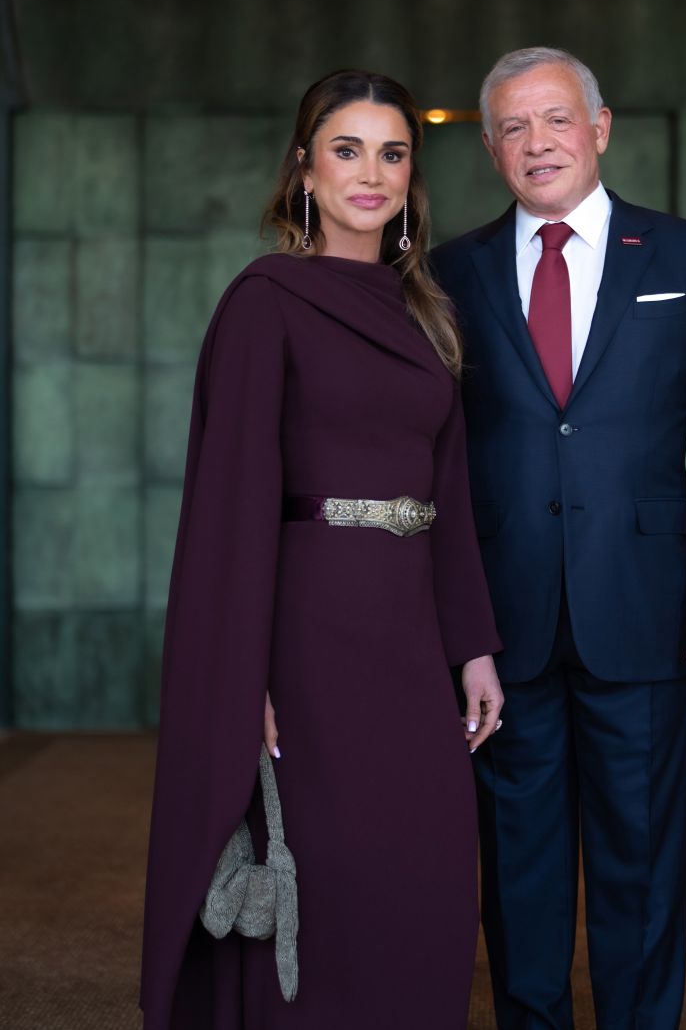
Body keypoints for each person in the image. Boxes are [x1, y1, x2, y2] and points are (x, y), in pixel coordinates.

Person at [140, 69, 504, 1030]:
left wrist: (473, 646)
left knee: (424, 871)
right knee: (326, 873)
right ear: (305, 169)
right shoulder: (264, 301)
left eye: (393, 153)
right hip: (307, 641)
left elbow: (449, 494)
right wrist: (243, 673)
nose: (371, 174)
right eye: (348, 150)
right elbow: (230, 506)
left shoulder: (427, 312)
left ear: (412, 175)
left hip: (410, 640)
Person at [431, 47, 686, 1030]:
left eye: (557, 119)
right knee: (518, 867)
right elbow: (435, 454)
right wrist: (451, 618)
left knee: (642, 862)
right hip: (504, 618)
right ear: (491, 149)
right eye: (514, 128)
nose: (538, 143)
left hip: (645, 605)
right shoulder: (448, 273)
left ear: (600, 127)